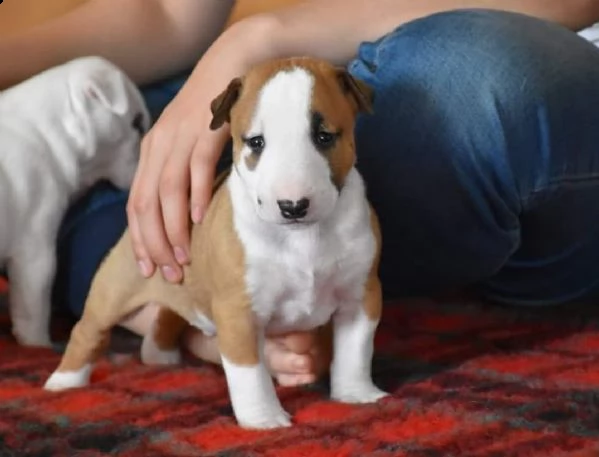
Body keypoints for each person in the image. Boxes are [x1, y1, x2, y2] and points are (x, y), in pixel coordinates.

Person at [3, 0, 599, 387]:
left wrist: (258, 40)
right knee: (59, 176)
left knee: (469, 84)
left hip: (467, 72)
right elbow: (166, 14)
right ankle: (221, 312)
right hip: (265, 86)